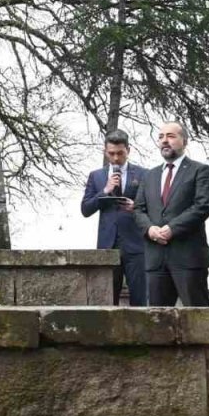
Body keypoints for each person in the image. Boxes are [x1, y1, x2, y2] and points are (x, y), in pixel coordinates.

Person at [133, 122, 209, 306]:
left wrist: (172, 229)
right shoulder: (149, 176)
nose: (164, 141)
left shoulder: (199, 170)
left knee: (198, 319)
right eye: (161, 137)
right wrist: (150, 229)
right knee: (157, 322)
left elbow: (202, 206)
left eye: (170, 136)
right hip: (156, 259)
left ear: (184, 141)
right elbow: (138, 209)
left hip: (188, 257)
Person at [80, 130, 147, 305]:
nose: (116, 158)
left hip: (137, 246)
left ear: (128, 150)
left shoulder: (143, 174)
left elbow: (154, 209)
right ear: (105, 151)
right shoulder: (97, 176)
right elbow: (85, 209)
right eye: (111, 153)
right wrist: (104, 191)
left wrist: (136, 207)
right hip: (107, 246)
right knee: (107, 302)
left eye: (120, 153)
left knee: (141, 301)